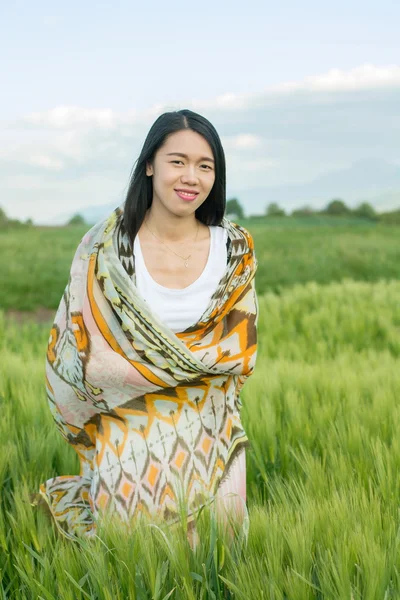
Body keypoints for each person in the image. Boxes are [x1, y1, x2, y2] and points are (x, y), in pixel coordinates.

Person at [34, 109, 259, 548]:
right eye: (178, 161)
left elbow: (241, 352)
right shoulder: (106, 250)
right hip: (125, 434)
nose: (191, 176)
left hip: (214, 429)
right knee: (131, 560)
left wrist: (155, 371)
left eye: (205, 165)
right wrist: (176, 374)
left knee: (219, 560)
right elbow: (85, 355)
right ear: (150, 164)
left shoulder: (235, 251)